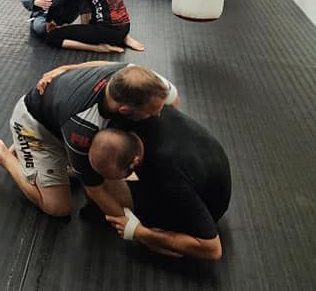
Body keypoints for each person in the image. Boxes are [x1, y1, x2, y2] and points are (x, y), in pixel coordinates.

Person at [0, 62, 179, 218]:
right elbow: (94, 189)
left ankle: (36, 156)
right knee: (57, 207)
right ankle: (2, 154)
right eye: (152, 112)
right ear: (124, 109)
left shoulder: (134, 77)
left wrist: (64, 68)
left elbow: (102, 64)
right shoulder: (82, 125)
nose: (158, 115)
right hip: (36, 126)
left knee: (143, 134)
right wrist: (134, 229)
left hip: (61, 114)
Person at [89, 109, 230, 260]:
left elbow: (213, 249)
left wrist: (140, 232)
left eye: (112, 176)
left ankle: (155, 237)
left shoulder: (168, 175)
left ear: (134, 162)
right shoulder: (138, 112)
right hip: (204, 159)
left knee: (122, 201)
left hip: (212, 202)